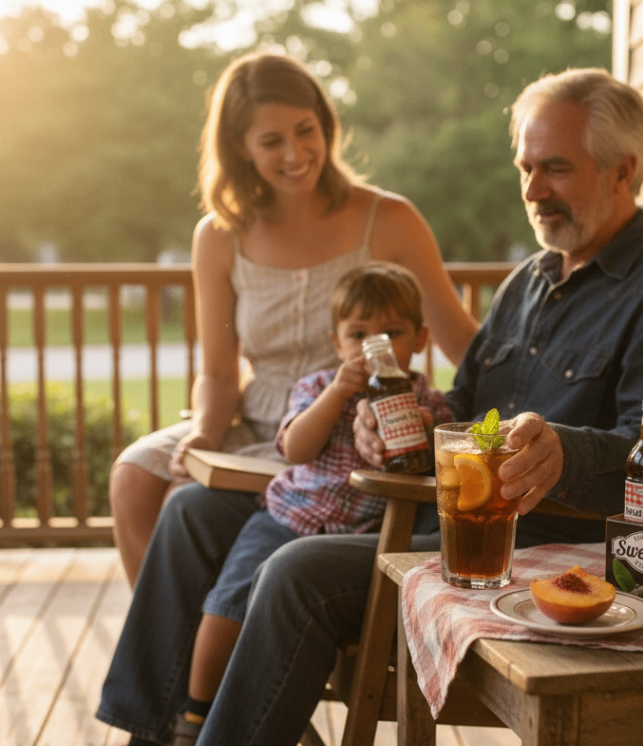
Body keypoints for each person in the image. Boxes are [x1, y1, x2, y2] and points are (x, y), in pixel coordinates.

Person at [82, 67, 643, 746]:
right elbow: (465, 404)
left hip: (541, 546)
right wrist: (405, 426)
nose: (532, 190)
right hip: (438, 514)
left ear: (623, 171)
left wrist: (561, 452)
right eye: (525, 168)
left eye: (555, 168)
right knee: (192, 513)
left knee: (295, 572)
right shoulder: (529, 281)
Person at [108, 52, 478, 584]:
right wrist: (206, 434)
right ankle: (175, 633)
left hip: (341, 436)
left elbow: (464, 344)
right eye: (271, 141)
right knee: (132, 477)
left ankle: (210, 632)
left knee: (182, 502)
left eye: (306, 131)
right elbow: (218, 372)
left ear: (325, 123)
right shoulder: (219, 235)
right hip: (251, 424)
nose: (295, 153)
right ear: (239, 146)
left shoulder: (390, 218)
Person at [158, 264, 452, 746]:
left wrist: (424, 435)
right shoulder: (317, 386)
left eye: (391, 334)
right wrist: (336, 394)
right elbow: (294, 448)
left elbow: (433, 465)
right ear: (336, 342)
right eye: (357, 335)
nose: (373, 348)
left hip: (354, 536)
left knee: (270, 598)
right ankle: (195, 713)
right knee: (226, 606)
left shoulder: (425, 401)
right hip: (286, 518)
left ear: (420, 339)